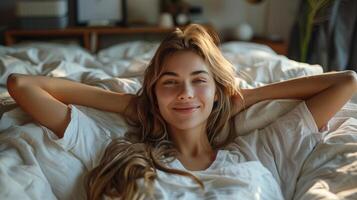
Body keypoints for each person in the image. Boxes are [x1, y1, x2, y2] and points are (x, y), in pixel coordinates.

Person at [6, 24, 357, 200]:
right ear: (154, 93)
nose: (186, 94)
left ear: (217, 90)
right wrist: (131, 104)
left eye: (198, 81)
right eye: (170, 82)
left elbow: (345, 82)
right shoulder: (122, 151)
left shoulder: (259, 151)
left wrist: (245, 96)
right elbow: (22, 85)